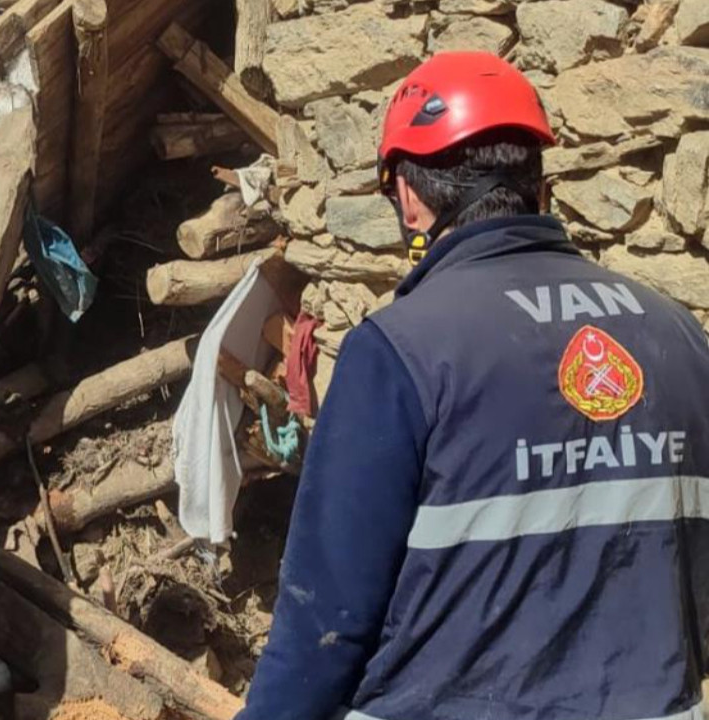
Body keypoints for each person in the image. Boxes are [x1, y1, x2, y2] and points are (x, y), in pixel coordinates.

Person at [237, 52, 709, 720]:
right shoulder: (680, 338)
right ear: (538, 184)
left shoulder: (399, 353)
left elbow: (325, 622)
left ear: (407, 195)